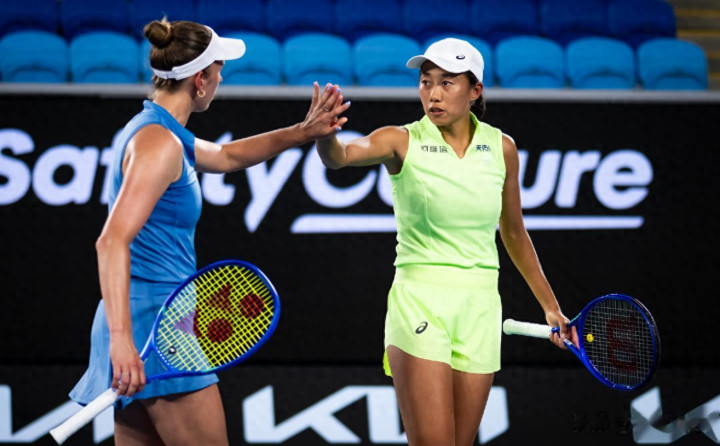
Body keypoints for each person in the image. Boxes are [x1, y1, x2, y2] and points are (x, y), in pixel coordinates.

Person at [68, 18, 344, 445]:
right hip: (153, 328)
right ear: (199, 80)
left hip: (138, 321)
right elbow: (111, 241)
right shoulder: (159, 144)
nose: (221, 79)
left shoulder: (160, 130)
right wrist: (123, 340)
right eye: (218, 70)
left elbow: (228, 156)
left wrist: (302, 133)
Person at [314, 38, 580, 445]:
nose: (433, 93)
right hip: (420, 302)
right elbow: (342, 156)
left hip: (480, 307)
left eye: (447, 82)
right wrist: (325, 136)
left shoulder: (502, 148)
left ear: (475, 91)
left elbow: (513, 232)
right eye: (426, 81)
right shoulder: (400, 140)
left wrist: (551, 307)